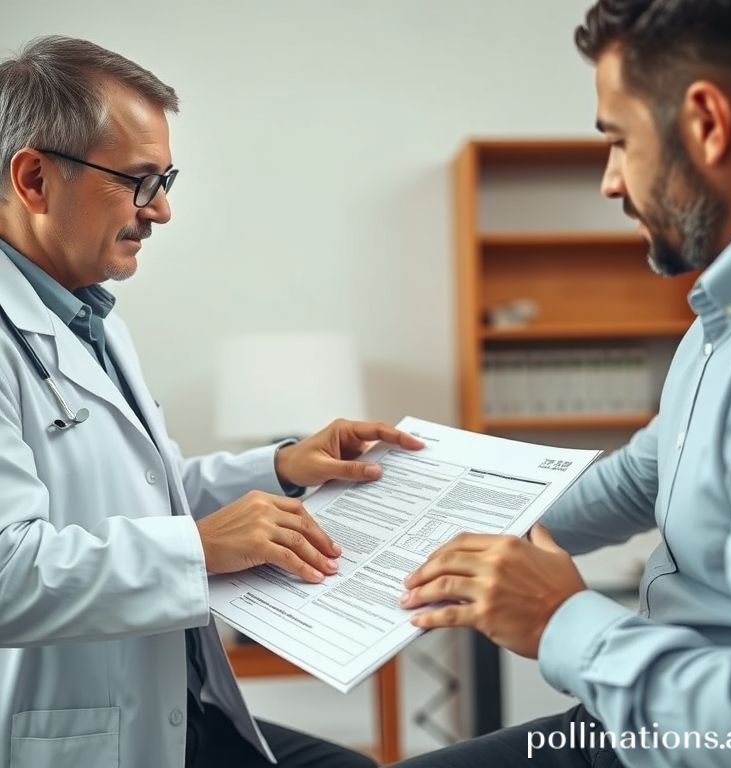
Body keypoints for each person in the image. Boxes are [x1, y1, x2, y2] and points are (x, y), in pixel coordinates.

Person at [0, 36, 424, 768]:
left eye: (165, 178)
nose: (160, 209)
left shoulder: (90, 315)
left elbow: (150, 494)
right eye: (138, 180)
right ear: (35, 179)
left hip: (177, 704)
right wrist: (199, 548)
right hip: (75, 737)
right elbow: (8, 572)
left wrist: (286, 466)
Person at [392, 2, 731, 767]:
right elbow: (644, 477)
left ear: (705, 123)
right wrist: (436, 532)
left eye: (619, 141)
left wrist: (559, 617)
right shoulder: (720, 321)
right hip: (642, 716)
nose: (608, 182)